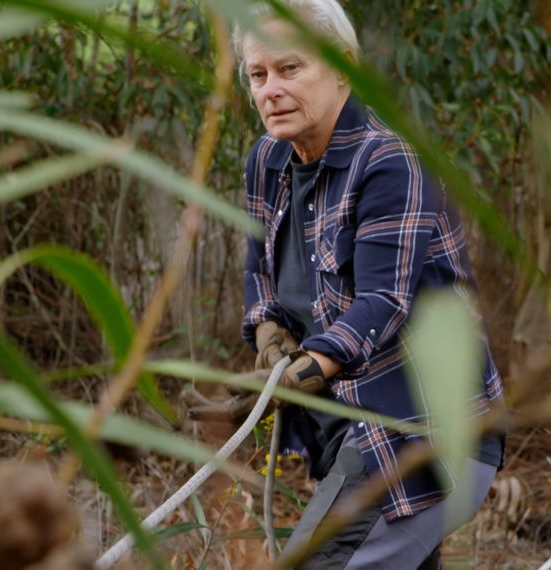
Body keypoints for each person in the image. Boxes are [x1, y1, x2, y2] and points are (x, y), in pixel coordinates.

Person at [216, 1, 505, 567]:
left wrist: (294, 377)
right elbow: (259, 271)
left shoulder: (391, 163)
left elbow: (384, 301)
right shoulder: (267, 161)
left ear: (344, 67)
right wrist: (269, 331)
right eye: (258, 74)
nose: (270, 89)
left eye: (290, 68)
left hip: (420, 435)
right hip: (346, 436)